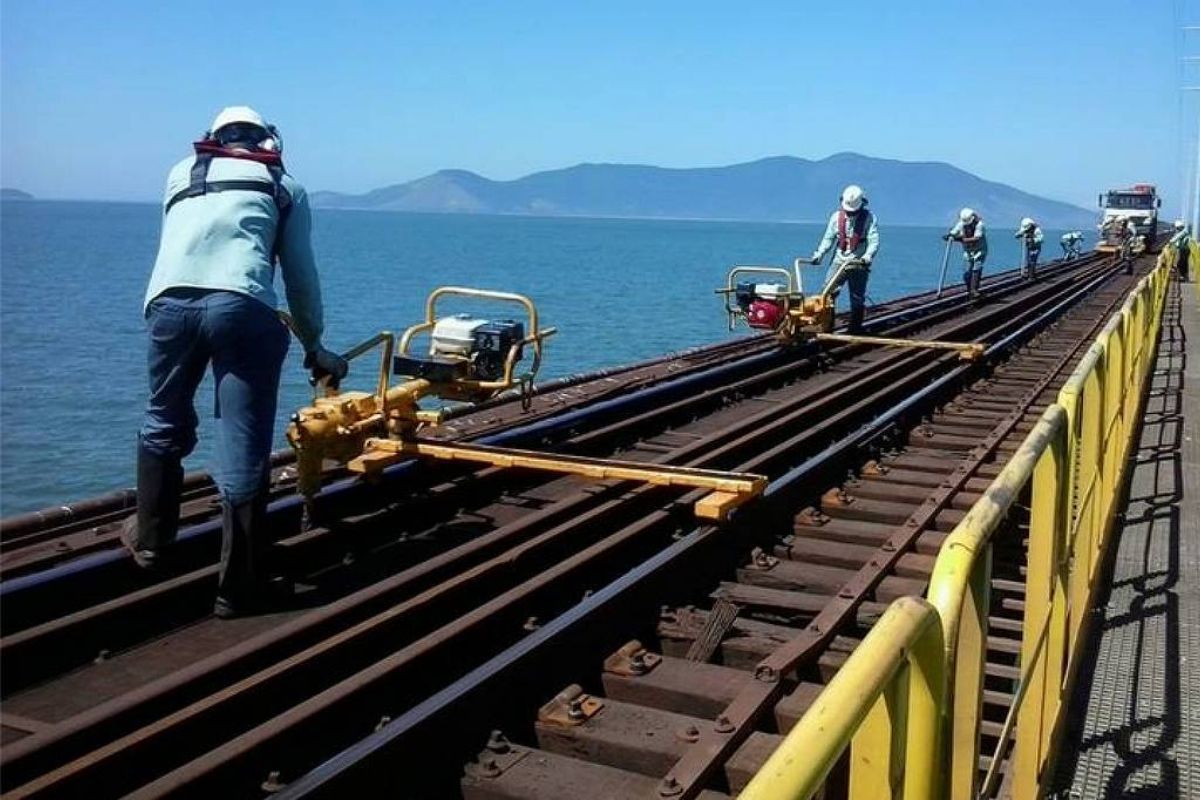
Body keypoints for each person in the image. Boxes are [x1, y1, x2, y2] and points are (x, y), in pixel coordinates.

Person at [123, 106, 348, 618]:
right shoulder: (283, 186)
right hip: (243, 308)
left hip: (167, 306)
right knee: (242, 443)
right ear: (269, 142)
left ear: (213, 138)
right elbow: (300, 277)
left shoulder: (181, 173)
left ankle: (152, 541)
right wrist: (314, 346)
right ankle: (236, 588)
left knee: (163, 418)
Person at [809, 184, 879, 334]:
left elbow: (874, 241)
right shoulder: (836, 218)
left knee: (857, 296)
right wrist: (819, 254)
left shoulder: (869, 218)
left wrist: (867, 256)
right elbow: (828, 239)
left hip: (858, 262)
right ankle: (827, 326)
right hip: (839, 260)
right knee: (827, 292)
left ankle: (855, 328)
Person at [944, 207, 988, 299]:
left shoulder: (980, 225)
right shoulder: (961, 224)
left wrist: (961, 239)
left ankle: (974, 290)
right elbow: (954, 232)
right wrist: (949, 235)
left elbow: (976, 238)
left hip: (979, 250)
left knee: (976, 269)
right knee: (967, 273)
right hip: (968, 252)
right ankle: (970, 290)